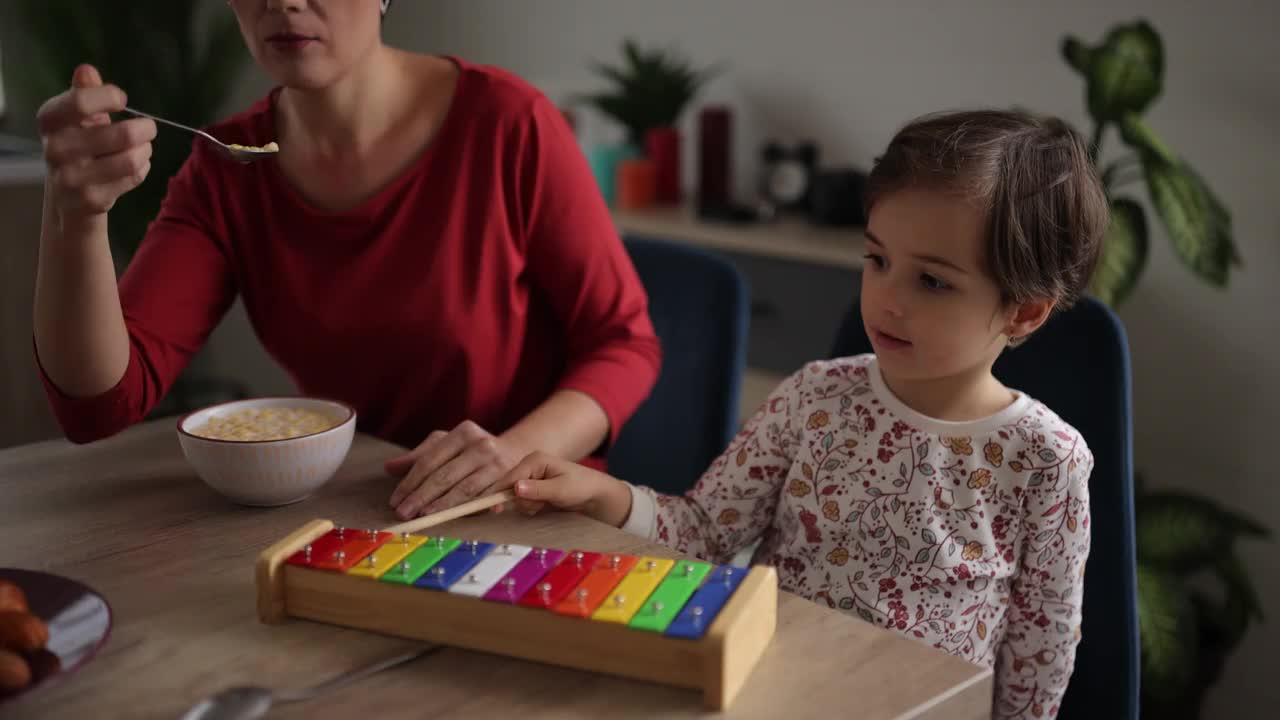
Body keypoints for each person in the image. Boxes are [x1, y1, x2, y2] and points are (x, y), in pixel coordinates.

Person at [501, 109, 1108, 719]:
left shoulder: (1046, 461)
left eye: (931, 281)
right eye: (877, 261)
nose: (887, 299)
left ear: (1025, 313)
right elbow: (705, 533)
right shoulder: (815, 397)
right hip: (775, 697)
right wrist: (602, 495)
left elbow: (1041, 652)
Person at [30, 0, 661, 521]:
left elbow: (624, 344)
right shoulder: (227, 170)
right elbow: (100, 406)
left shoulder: (507, 124)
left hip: (531, 512)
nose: (281, 2)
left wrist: (512, 453)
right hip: (361, 517)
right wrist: (76, 217)